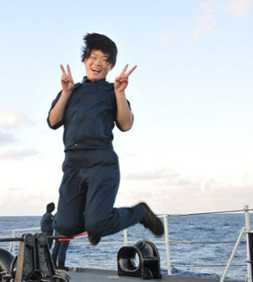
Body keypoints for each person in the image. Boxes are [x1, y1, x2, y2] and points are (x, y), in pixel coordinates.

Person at [46, 33, 164, 246]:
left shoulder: (112, 91)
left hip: (101, 160)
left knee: (97, 224)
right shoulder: (71, 90)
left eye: (104, 59)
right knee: (64, 226)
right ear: (85, 60)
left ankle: (139, 212)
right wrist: (66, 92)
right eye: (93, 57)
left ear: (110, 66)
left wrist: (119, 92)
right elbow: (53, 121)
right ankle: (95, 222)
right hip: (72, 163)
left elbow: (126, 125)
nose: (97, 63)